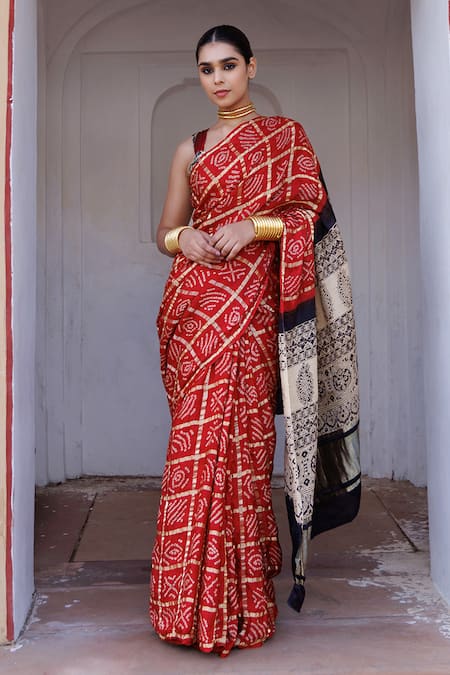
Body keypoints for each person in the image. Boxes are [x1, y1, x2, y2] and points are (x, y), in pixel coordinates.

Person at [150, 25, 361, 657]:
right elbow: (165, 226)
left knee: (241, 446)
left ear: (251, 67)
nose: (218, 79)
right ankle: (183, 601)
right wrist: (180, 239)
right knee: (193, 446)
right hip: (195, 304)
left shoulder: (285, 137)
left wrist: (256, 224)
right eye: (207, 69)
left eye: (229, 66)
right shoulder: (189, 148)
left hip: (254, 307)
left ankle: (237, 599)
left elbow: (311, 215)